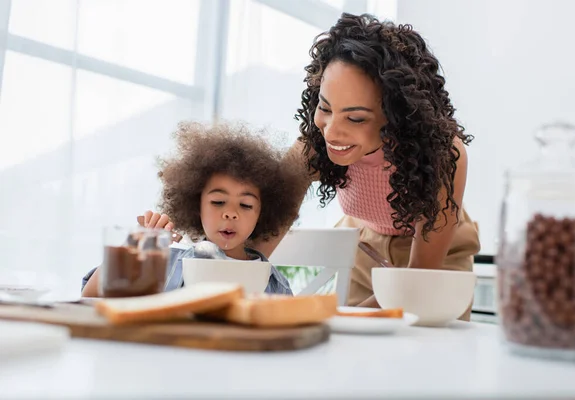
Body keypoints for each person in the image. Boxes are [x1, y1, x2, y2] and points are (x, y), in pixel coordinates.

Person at [142, 12, 481, 320]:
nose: (332, 131)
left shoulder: (442, 155)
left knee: (425, 348)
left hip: (435, 258)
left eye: (356, 118)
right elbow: (257, 244)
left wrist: (329, 314)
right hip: (366, 243)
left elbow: (417, 279)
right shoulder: (312, 148)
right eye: (325, 107)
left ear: (399, 117)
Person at [81, 121, 305, 297]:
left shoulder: (274, 283)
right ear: (196, 206)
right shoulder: (164, 262)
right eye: (218, 202)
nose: (230, 213)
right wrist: (137, 246)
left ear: (262, 214)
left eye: (246, 205)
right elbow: (90, 296)